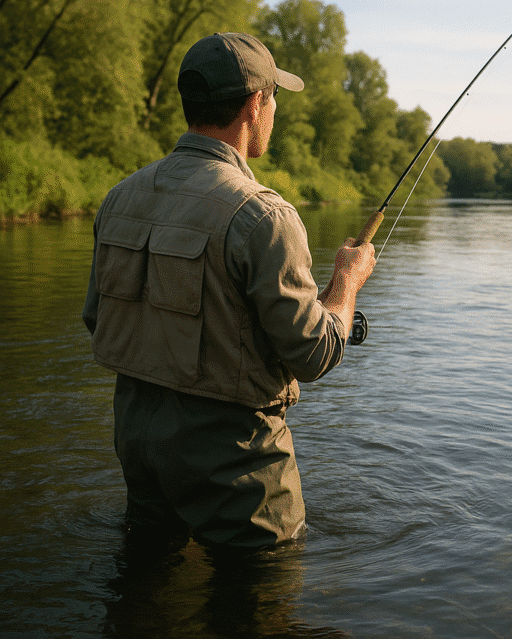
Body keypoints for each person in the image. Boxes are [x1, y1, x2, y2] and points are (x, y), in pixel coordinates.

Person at [83, 32, 376, 549]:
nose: (275, 108)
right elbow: (314, 352)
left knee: (146, 588)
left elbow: (97, 319)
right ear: (254, 103)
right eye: (274, 97)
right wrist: (347, 282)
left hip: (136, 438)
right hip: (236, 462)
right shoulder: (264, 215)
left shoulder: (118, 199)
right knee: (262, 603)